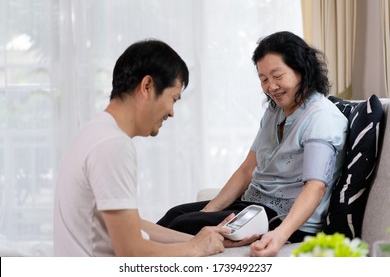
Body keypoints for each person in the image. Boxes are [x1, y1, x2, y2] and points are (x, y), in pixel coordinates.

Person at [157, 31, 349, 257]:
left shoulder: (321, 118)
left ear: (301, 70)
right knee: (174, 216)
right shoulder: (274, 112)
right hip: (253, 206)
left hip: (282, 218)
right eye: (264, 79)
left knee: (180, 226)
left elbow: (316, 187)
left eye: (278, 76)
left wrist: (279, 236)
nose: (271, 87)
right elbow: (248, 169)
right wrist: (207, 213)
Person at [53, 39, 240, 257]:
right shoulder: (112, 145)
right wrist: (195, 248)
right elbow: (130, 250)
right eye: (173, 98)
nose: (172, 112)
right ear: (147, 86)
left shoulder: (95, 131)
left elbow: (132, 225)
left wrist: (200, 239)